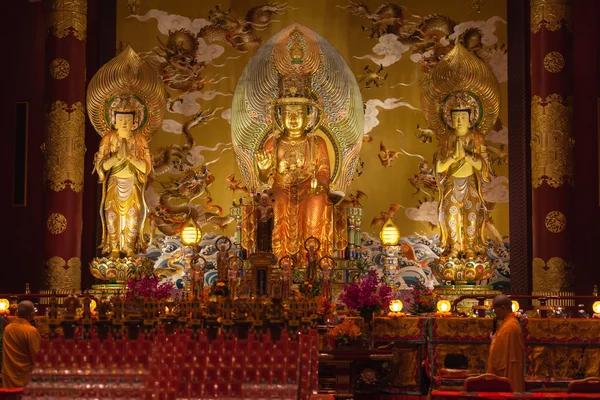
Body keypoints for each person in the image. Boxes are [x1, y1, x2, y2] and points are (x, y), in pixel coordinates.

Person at [487, 295, 525, 392]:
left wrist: (493, 340)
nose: (495, 313)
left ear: (503, 308)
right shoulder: (511, 323)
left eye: (495, 310)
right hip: (514, 367)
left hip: (508, 371)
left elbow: (497, 356)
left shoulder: (509, 327)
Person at [2, 301, 41, 388]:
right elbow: (36, 358)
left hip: (8, 377)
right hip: (24, 379)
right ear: (31, 314)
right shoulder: (31, 331)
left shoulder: (7, 329)